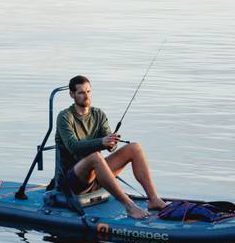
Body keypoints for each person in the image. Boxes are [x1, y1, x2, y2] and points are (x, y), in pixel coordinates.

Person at [55, 75, 166, 220]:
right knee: (95, 156)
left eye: (88, 92)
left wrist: (112, 142)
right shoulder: (65, 117)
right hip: (72, 180)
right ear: (72, 95)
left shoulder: (98, 114)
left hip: (95, 174)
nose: (86, 96)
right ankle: (130, 206)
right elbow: (73, 147)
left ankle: (153, 199)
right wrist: (102, 142)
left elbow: (108, 143)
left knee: (135, 147)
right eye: (81, 92)